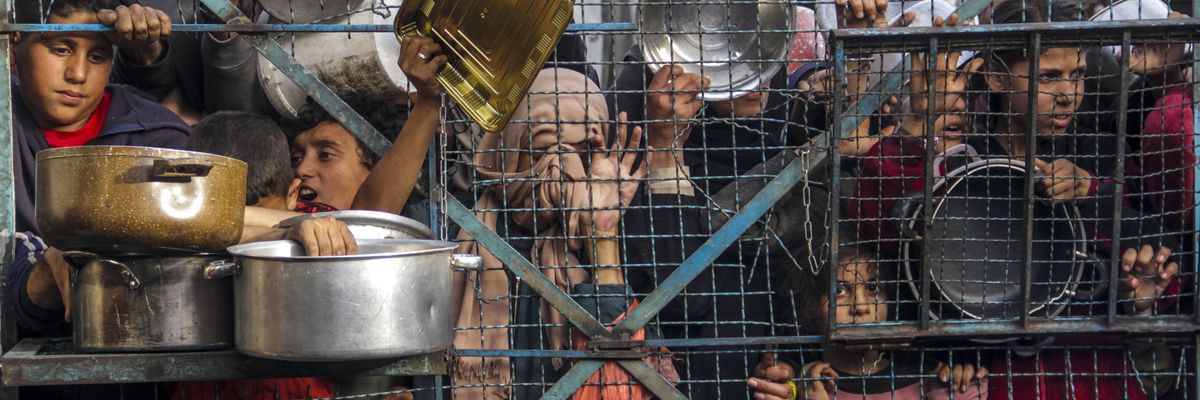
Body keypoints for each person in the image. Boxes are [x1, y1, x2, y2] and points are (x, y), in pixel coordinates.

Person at [968, 0, 1181, 397]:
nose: (1068, 93)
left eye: (1077, 74)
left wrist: (1092, 194)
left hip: (1096, 376)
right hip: (999, 379)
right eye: (1048, 77)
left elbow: (1164, 242)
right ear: (996, 77)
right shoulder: (969, 162)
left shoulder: (1102, 153)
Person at [451, 68, 651, 399]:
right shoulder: (454, 229)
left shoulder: (628, 239)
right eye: (542, 151)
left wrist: (603, 235)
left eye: (579, 154)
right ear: (509, 148)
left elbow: (618, 369)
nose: (561, 170)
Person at [746, 233, 988, 400]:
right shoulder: (798, 387)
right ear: (809, 306)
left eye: (873, 288)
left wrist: (960, 389)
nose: (861, 306)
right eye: (839, 291)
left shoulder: (931, 379)